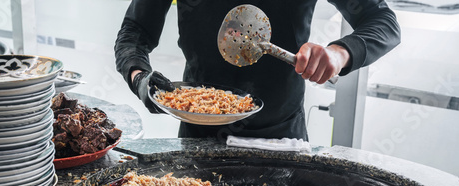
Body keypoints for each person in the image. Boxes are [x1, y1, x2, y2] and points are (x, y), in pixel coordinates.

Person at [115, 1, 400, 141]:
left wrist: (339, 53)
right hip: (199, 136)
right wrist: (140, 78)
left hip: (281, 138)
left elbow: (383, 21)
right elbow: (134, 32)